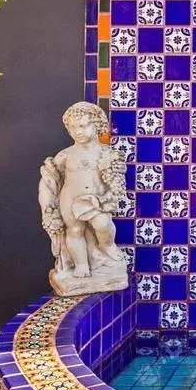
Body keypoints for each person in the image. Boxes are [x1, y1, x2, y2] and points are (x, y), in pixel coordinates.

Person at [38, 101, 130, 295]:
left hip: (96, 200)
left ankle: (107, 246)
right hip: (70, 199)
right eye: (72, 128)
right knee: (74, 230)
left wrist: (105, 198)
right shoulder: (65, 155)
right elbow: (52, 178)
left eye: (82, 126)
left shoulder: (107, 153)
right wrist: (49, 203)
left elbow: (115, 184)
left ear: (96, 125)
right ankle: (81, 264)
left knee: (103, 224)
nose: (77, 132)